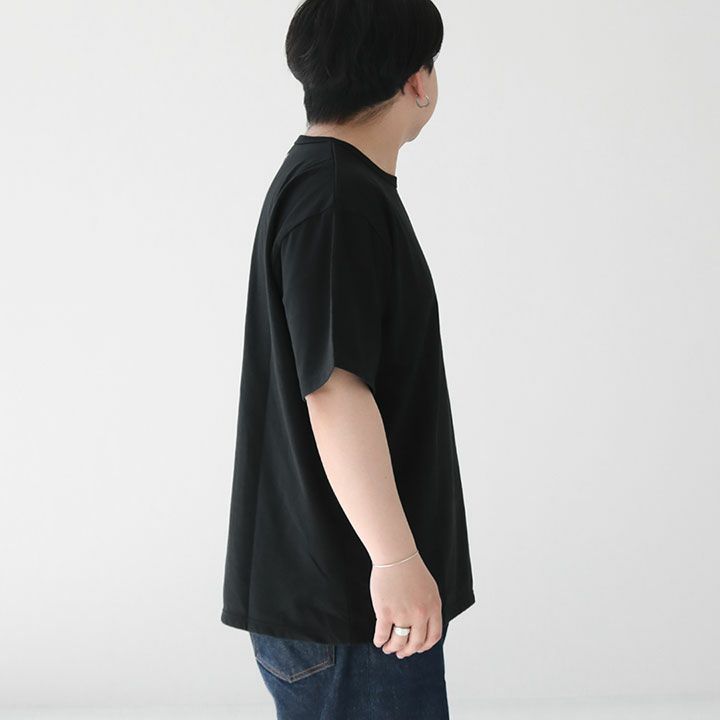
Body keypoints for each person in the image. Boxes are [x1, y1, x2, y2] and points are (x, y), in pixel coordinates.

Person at [220, 1, 475, 717]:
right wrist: (395, 559)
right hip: (351, 608)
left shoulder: (330, 186)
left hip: (344, 601)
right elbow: (333, 390)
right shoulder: (337, 199)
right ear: (417, 80)